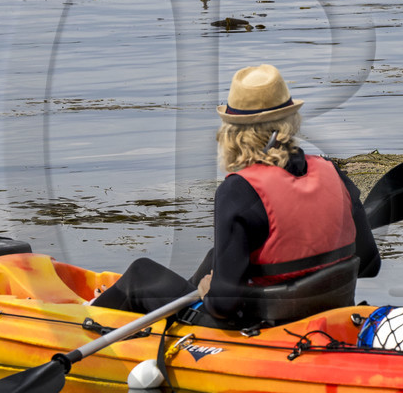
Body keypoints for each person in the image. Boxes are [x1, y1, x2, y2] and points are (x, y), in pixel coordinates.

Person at [91, 64, 379, 329]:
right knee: (214, 258)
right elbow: (369, 263)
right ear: (291, 120)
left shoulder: (238, 190)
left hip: (258, 327)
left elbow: (224, 306)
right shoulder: (333, 173)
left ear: (234, 132)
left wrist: (208, 291)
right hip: (327, 316)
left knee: (141, 274)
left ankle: (84, 322)